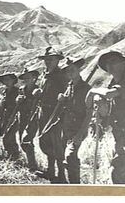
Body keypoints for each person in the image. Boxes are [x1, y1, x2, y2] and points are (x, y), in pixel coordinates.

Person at [84, 50, 125, 184]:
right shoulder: (112, 84)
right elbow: (108, 111)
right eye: (108, 62)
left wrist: (92, 91)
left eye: (114, 61)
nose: (110, 65)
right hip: (120, 135)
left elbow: (110, 94)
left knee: (117, 170)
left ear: (123, 64)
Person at [34, 46, 67, 183]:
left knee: (57, 143)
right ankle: (51, 171)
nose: (48, 62)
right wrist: (38, 93)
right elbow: (44, 91)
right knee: (45, 141)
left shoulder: (61, 76)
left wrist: (62, 98)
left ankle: (61, 175)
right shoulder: (44, 75)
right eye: (47, 59)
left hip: (56, 113)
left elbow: (66, 93)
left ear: (58, 60)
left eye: (52, 59)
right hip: (44, 112)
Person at [57, 57, 91, 184]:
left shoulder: (86, 89)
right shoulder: (70, 86)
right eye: (67, 71)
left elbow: (89, 114)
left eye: (72, 70)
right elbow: (68, 102)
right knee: (63, 155)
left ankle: (75, 186)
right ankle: (68, 182)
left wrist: (80, 134)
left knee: (70, 156)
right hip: (66, 126)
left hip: (78, 129)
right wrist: (62, 98)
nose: (70, 73)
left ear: (78, 70)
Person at [16, 68, 40, 171]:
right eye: (25, 78)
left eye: (29, 77)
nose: (27, 80)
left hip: (33, 117)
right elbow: (18, 101)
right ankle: (31, 162)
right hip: (22, 117)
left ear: (34, 78)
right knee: (22, 141)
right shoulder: (21, 89)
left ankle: (32, 165)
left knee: (26, 140)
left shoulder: (38, 89)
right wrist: (17, 100)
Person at [0, 72, 20, 160]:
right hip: (6, 117)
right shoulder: (5, 92)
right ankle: (12, 156)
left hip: (15, 117)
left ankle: (15, 156)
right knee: (6, 137)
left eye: (8, 79)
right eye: (4, 80)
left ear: (13, 80)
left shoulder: (17, 91)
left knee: (9, 137)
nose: (6, 82)